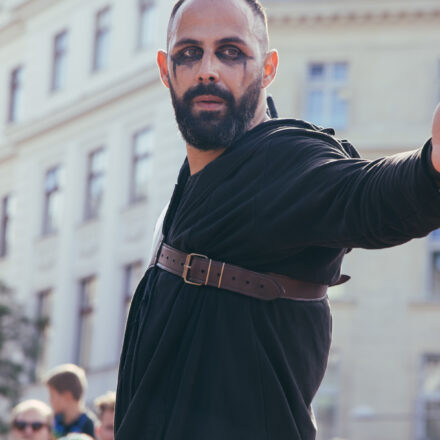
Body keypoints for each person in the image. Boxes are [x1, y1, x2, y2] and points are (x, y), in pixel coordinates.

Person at [114, 0, 440, 438]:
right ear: (164, 68)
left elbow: (367, 194)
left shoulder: (288, 159)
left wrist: (431, 168)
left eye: (231, 52)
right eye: (189, 53)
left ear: (268, 69)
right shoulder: (187, 184)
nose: (208, 69)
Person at [44, 364, 95, 439]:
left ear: (67, 396)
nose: (50, 400)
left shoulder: (88, 425)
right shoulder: (54, 422)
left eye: (52, 396)